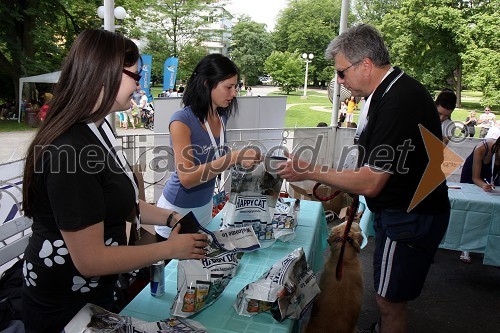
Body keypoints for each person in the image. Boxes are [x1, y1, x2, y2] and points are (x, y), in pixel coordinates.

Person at [21, 29, 208, 332]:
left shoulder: (97, 129)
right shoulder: (71, 151)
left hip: (96, 296)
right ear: (106, 74)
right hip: (65, 309)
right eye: (136, 75)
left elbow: (116, 201)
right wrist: (169, 249)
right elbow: (90, 260)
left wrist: (172, 217)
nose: (139, 84)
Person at [278, 24, 450, 333]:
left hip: (410, 217)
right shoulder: (392, 92)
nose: (339, 80)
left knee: (389, 302)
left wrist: (308, 170)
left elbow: (371, 181)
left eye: (342, 73)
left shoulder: (397, 101)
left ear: (366, 65)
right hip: (405, 213)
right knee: (390, 298)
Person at [154, 53, 260, 242]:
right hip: (176, 213)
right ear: (206, 84)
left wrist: (243, 158)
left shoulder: (221, 117)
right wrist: (233, 158)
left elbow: (212, 159)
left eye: (236, 87)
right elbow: (187, 178)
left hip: (205, 209)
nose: (234, 93)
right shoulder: (181, 121)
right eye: (228, 87)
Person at [459, 136, 500, 263]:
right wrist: (483, 185)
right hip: (473, 175)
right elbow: (475, 177)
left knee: (494, 208)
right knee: (473, 207)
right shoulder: (482, 148)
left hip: (493, 175)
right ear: (497, 147)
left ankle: (488, 244)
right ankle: (466, 247)